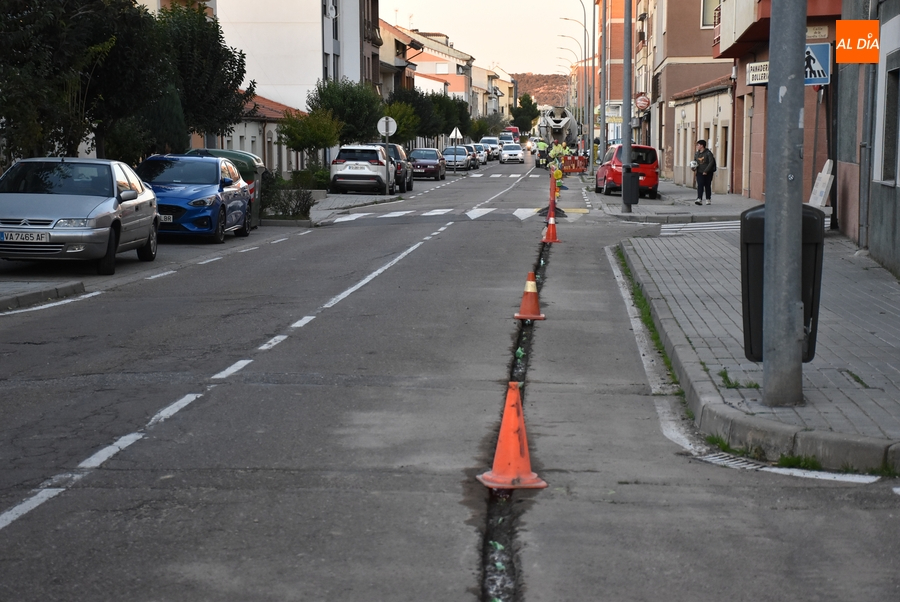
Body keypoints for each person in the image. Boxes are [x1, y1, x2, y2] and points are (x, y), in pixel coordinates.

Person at [692, 140, 715, 205]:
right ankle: (699, 198)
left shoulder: (708, 153)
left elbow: (711, 162)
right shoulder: (697, 154)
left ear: (702, 146)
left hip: (708, 172)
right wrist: (693, 167)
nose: (697, 146)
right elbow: (695, 162)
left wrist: (706, 171)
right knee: (700, 185)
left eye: (698, 145)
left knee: (707, 185)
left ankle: (708, 199)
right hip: (699, 172)